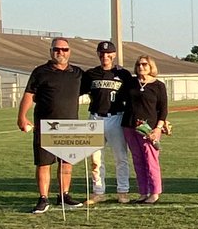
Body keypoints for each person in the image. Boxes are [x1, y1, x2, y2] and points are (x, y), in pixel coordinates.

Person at [17, 37, 85, 214]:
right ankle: (43, 198)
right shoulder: (40, 72)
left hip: (70, 127)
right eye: (57, 49)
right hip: (46, 125)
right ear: (51, 51)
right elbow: (29, 95)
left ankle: (64, 195)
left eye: (64, 49)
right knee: (44, 164)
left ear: (70, 51)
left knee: (66, 164)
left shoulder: (77, 73)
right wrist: (22, 117)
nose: (60, 52)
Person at [81, 40, 133, 204]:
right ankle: (98, 191)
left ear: (114, 55)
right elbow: (76, 90)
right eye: (102, 53)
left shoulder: (123, 74)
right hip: (95, 118)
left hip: (115, 117)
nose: (105, 56)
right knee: (96, 158)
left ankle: (123, 191)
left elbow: (133, 96)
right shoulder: (90, 74)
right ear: (98, 54)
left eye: (108, 53)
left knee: (120, 157)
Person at [122, 54, 169, 205]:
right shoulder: (131, 84)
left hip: (148, 129)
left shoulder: (158, 86)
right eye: (138, 65)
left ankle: (155, 192)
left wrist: (159, 128)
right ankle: (143, 192)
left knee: (151, 159)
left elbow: (163, 109)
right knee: (138, 160)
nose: (141, 67)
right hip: (129, 126)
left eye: (144, 65)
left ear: (150, 67)